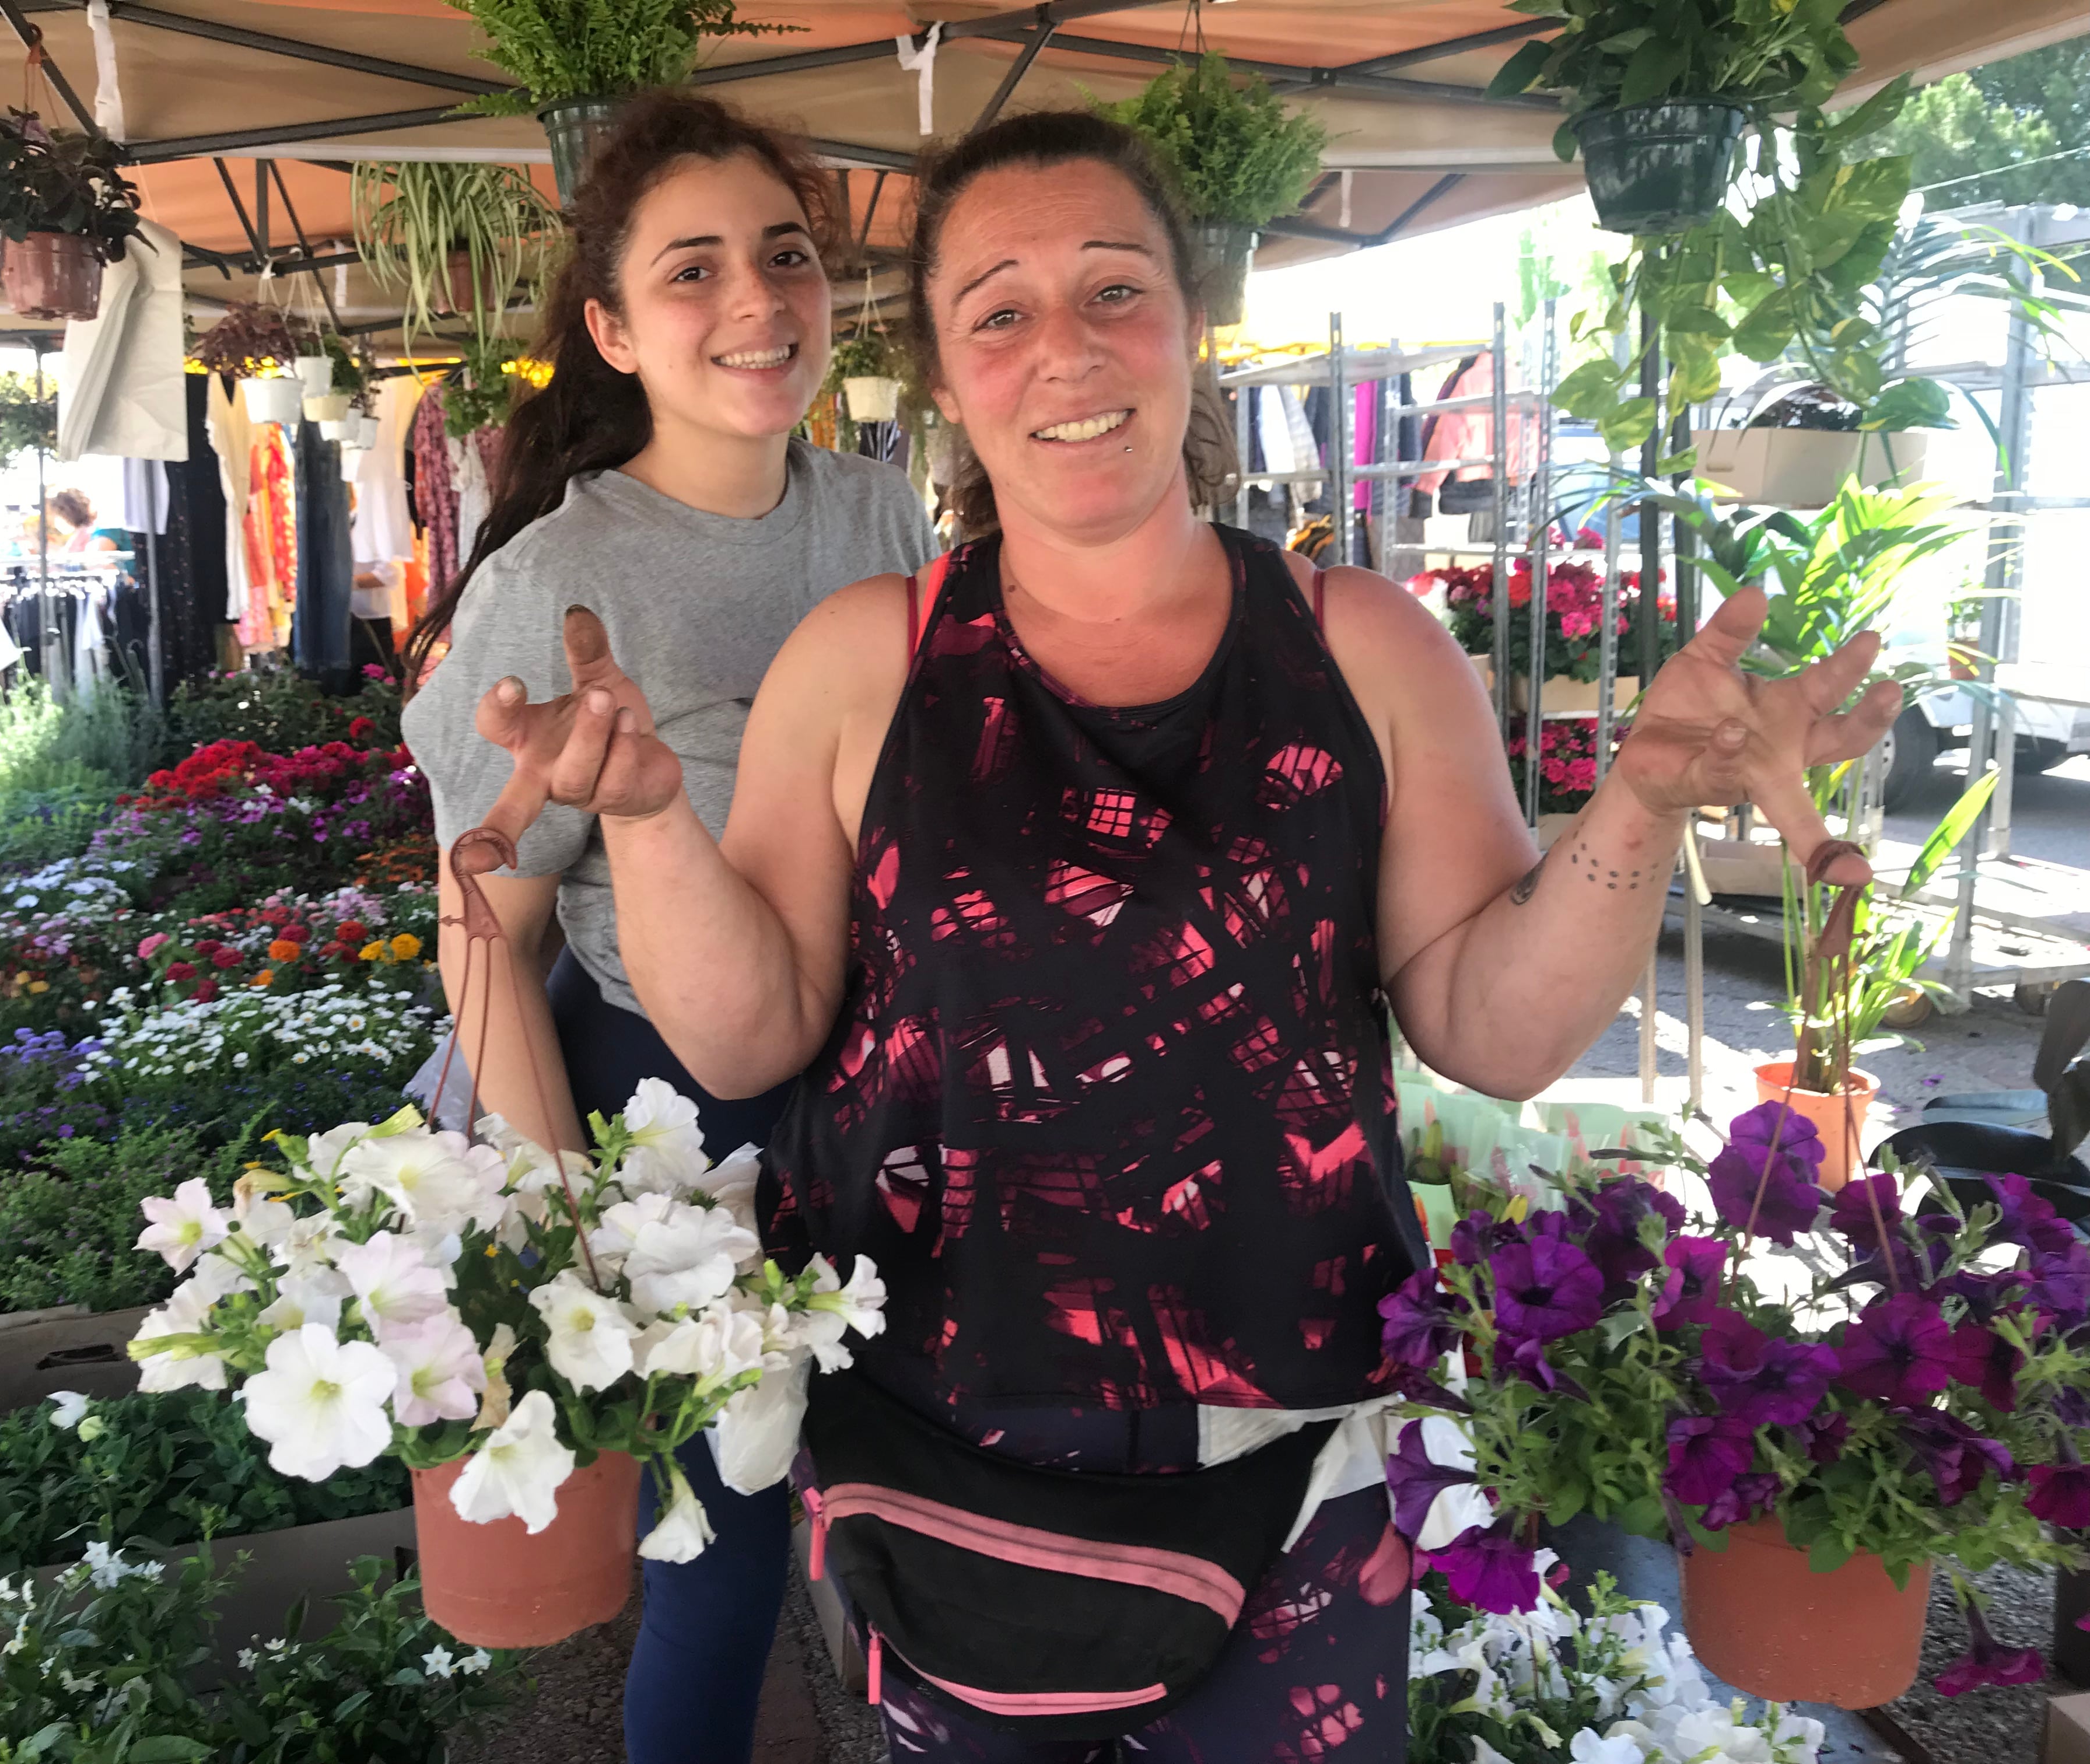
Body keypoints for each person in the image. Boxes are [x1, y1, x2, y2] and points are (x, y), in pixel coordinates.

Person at [464, 110, 1899, 1759]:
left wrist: (1635, 812)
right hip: (946, 1457)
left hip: (1295, 1463)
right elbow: (751, 1032)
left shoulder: (1364, 644)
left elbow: (1493, 1032)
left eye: (1114, 290)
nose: (1063, 349)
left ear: (1191, 325)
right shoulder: (866, 661)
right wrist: (648, 824)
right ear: (942, 373)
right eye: (997, 310)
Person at [398, 90, 937, 1764]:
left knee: (914, 1503)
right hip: (672, 1123)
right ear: (615, 329)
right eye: (692, 271)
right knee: (722, 1551)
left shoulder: (877, 511)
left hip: (885, 1090)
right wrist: (569, 1225)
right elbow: (480, 910)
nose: (758, 303)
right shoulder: (564, 582)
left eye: (785, 256)